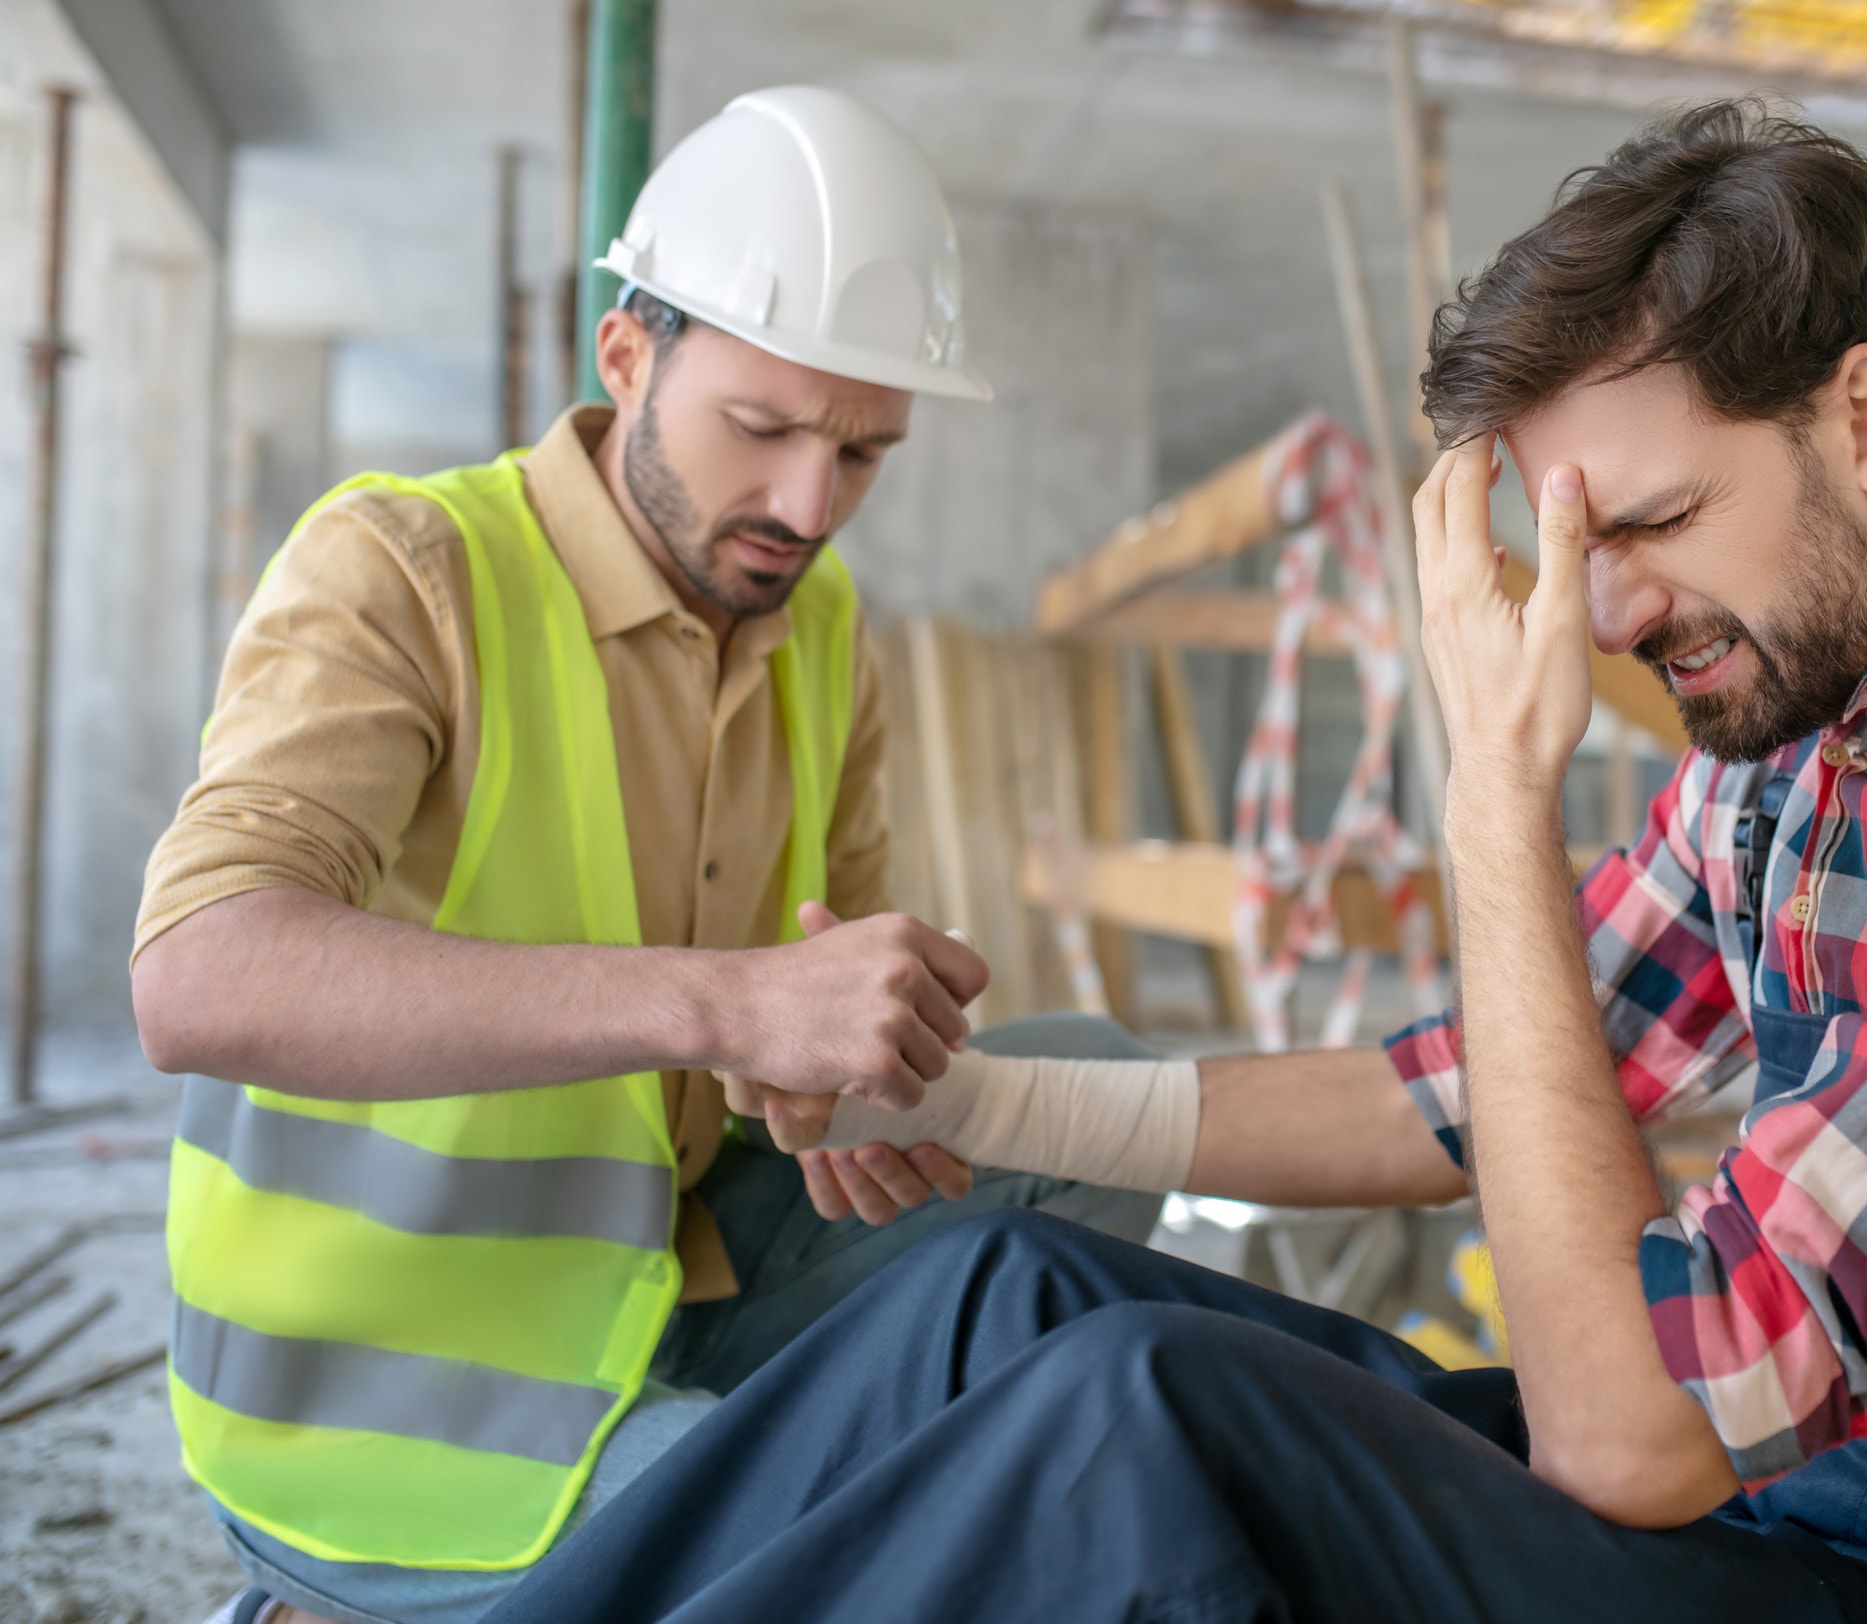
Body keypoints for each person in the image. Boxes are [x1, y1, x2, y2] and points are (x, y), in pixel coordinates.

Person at [474, 101, 1867, 1624]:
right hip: (1817, 1498)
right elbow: (1454, 1101)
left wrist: (1495, 796)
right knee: (1013, 1298)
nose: (1614, 611)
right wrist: (969, 1095)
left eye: (1650, 521)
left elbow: (1636, 1430)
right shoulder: (1789, 759)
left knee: (1153, 1421)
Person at [138, 88, 1186, 1624]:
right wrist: (719, 1004)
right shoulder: (403, 569)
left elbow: (817, 995)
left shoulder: (820, 627)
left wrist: (850, 1068)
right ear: (629, 357)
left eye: (863, 453)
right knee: (860, 1552)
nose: (807, 506)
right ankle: (333, 1598)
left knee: (1096, 1097)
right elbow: (197, 976)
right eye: (757, 430)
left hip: (653, 1270)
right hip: (380, 1403)